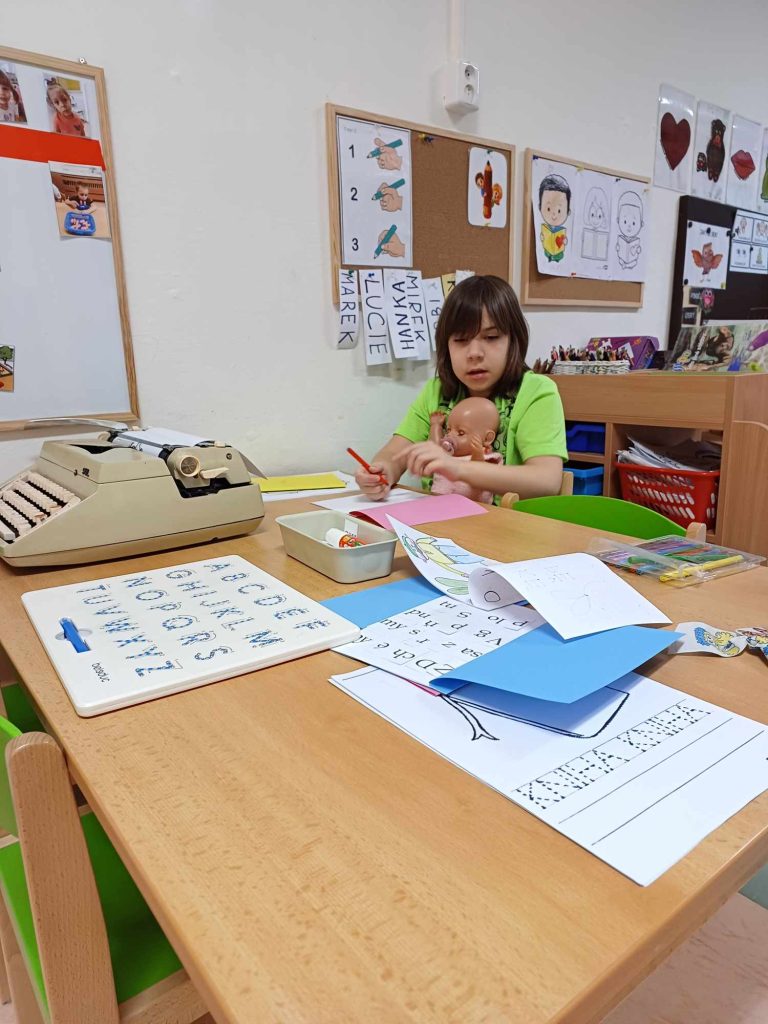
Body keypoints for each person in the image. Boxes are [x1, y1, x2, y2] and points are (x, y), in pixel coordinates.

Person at [355, 275, 566, 503]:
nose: (474, 353)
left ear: (513, 341)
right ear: (446, 346)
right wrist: (382, 471)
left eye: (491, 337)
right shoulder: (436, 391)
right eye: (461, 340)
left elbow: (546, 481)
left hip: (506, 523)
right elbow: (395, 453)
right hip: (440, 520)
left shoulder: (535, 391)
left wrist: (458, 468)